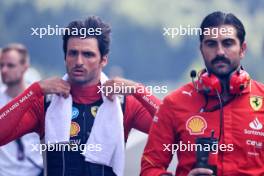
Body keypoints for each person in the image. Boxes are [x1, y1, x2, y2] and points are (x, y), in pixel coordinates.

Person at [0, 16, 160, 176]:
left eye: (88, 54)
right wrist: (33, 91)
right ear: (65, 57)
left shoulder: (123, 103)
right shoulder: (45, 102)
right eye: (73, 53)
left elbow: (178, 130)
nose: (78, 61)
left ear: (103, 60)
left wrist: (139, 90)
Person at [140, 11, 264, 176]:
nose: (220, 52)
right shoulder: (174, 103)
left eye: (228, 43)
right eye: (211, 44)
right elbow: (150, 169)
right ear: (201, 49)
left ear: (242, 49)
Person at [0, 43, 43, 176]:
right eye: (1, 65)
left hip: (36, 171)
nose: (4, 70)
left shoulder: (40, 98)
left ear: (25, 67)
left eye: (10, 65)